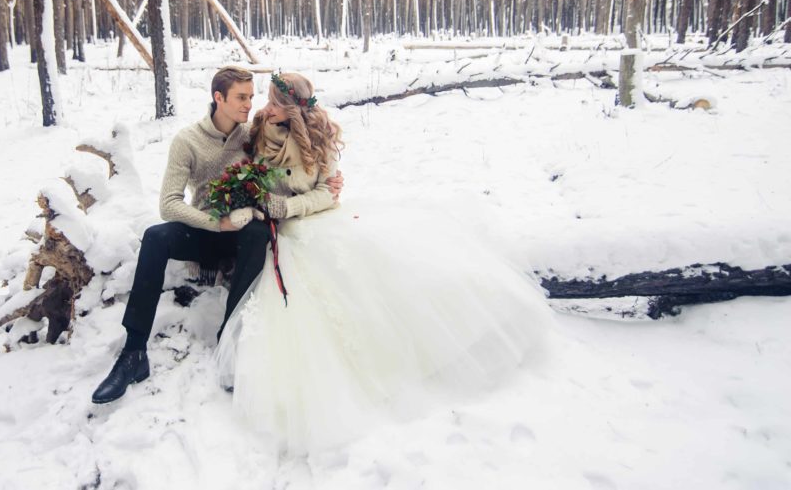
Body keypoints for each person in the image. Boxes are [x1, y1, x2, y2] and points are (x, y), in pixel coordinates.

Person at [215, 72, 552, 452]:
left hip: (311, 221)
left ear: (293, 108)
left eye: (275, 102)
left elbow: (329, 192)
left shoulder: (316, 140)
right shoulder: (258, 129)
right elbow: (236, 166)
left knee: (361, 269)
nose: (266, 107)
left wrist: (290, 206)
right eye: (268, 101)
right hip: (279, 231)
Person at [91, 66, 342, 405]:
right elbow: (168, 204)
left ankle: (229, 336)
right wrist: (215, 224)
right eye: (242, 98)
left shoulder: (250, 134)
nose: (251, 106)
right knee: (154, 236)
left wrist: (319, 189)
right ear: (218, 98)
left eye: (253, 98)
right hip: (205, 229)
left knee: (257, 233)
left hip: (243, 231)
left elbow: (294, 170)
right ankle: (134, 352)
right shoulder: (188, 141)